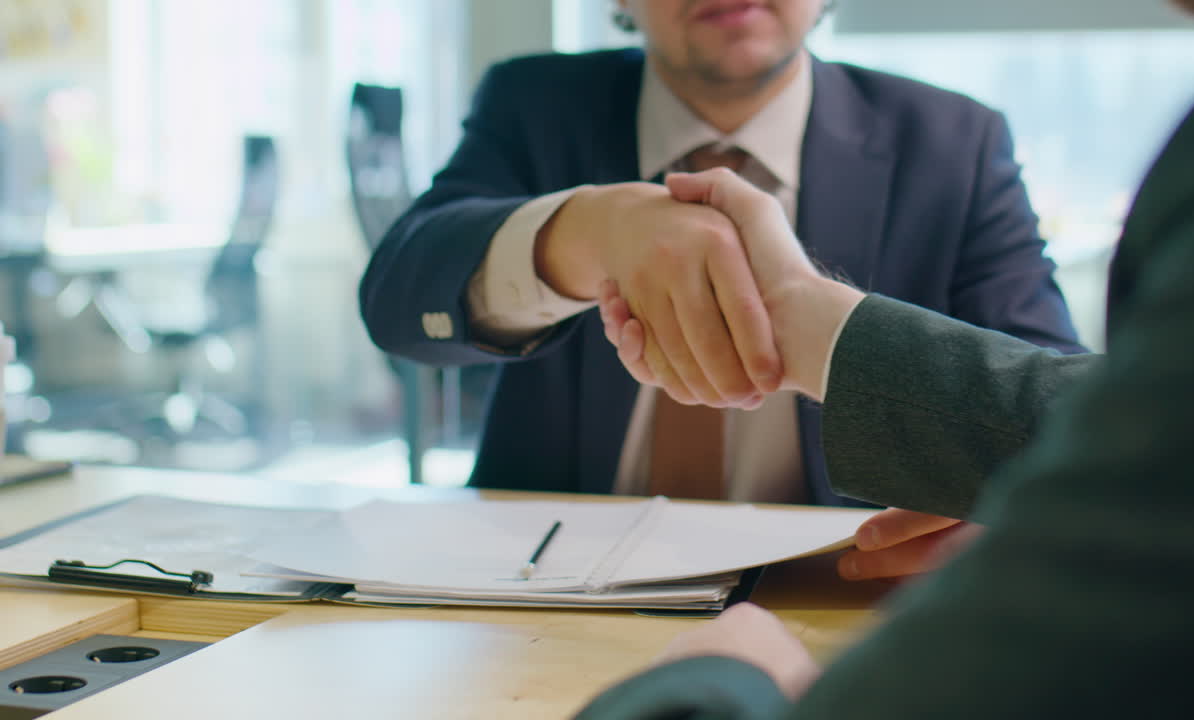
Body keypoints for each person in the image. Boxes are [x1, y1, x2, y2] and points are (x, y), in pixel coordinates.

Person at [576, 1, 1194, 716]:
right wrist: (598, 230)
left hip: (824, 607)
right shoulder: (535, 103)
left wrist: (725, 677)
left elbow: (1181, 452)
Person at [358, 1, 1084, 522]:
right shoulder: (534, 102)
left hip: (836, 592)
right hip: (549, 588)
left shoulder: (952, 140)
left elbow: (1050, 404)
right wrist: (581, 233)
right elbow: (398, 302)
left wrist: (991, 515)